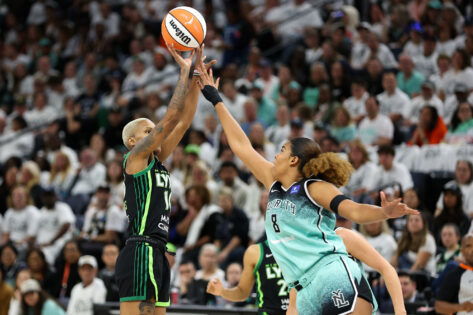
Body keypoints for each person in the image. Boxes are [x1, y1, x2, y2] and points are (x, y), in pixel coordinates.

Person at [197, 62, 416, 314]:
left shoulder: (314, 188)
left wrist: (384, 213)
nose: (275, 156)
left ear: (293, 160)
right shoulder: (274, 183)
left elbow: (353, 212)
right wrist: (215, 99)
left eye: (281, 150)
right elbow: (241, 146)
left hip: (329, 271)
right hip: (300, 287)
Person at [116, 45, 212, 315]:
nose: (154, 131)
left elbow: (182, 123)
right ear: (133, 142)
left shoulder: (157, 161)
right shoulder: (134, 160)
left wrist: (196, 80)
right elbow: (170, 119)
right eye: (148, 129)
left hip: (158, 252)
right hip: (139, 250)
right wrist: (183, 72)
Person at [208, 228, 406, 315]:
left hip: (347, 300)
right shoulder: (265, 252)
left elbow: (386, 268)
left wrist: (400, 311)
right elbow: (294, 299)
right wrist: (223, 291)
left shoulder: (340, 237)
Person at [435, 234, 473, 314]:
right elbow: (439, 306)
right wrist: (460, 307)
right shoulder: (455, 275)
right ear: (462, 250)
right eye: (468, 246)